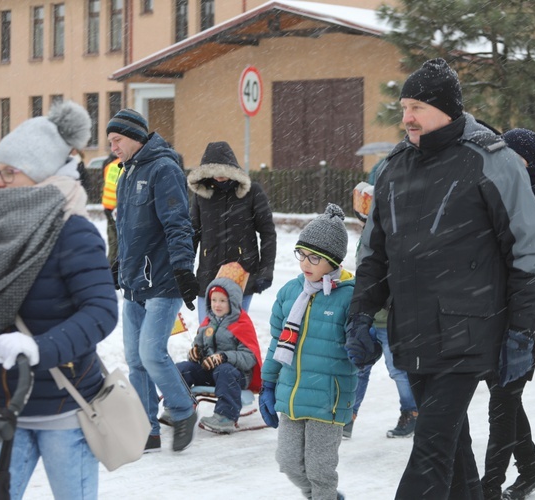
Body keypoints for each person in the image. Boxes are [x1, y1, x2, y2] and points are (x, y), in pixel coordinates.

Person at [347, 58, 535, 499]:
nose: (407, 118)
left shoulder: (490, 159)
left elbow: (528, 251)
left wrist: (520, 330)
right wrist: (360, 314)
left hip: (470, 330)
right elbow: (373, 251)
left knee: (431, 448)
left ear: (444, 108)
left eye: (416, 106)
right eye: (403, 108)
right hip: (412, 332)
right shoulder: (395, 166)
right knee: (454, 449)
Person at [0, 101, 118, 499]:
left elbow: (101, 312)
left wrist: (39, 348)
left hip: (63, 409)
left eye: (8, 172)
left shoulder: (74, 233)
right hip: (2, 404)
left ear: (39, 176)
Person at [108, 108, 200, 453]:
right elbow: (126, 230)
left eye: (117, 140)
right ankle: (148, 429)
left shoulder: (163, 169)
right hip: (134, 281)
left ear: (133, 136)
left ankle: (181, 409)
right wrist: (118, 264)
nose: (113, 147)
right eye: (111, 141)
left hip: (162, 279)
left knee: (151, 353)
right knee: (134, 359)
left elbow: (178, 223)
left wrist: (182, 269)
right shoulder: (126, 173)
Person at [481, 128, 535, 500]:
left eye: (515, 158)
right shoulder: (492, 191)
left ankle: (490, 487)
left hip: (528, 315)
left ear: (529, 162)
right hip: (491, 311)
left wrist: (523, 324)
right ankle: (530, 469)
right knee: (505, 397)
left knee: (503, 402)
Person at [258, 203, 357, 500]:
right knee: (288, 462)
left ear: (333, 261)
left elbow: (359, 349)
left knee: (320, 471)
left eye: (315, 257)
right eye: (302, 254)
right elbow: (277, 342)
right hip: (291, 393)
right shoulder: (290, 292)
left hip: (328, 399)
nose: (306, 263)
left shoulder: (350, 297)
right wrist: (268, 383)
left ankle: (323, 496)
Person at [344, 180, 418, 440]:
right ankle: (348, 417)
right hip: (367, 317)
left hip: (388, 318)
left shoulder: (390, 239)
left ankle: (412, 412)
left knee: (397, 368)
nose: (364, 226)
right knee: (359, 366)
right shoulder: (364, 241)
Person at [187, 141, 276, 318]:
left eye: (223, 171)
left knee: (234, 334)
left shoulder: (252, 192)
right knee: (207, 336)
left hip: (241, 275)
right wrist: (185, 273)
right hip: (208, 277)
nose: (219, 176)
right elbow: (192, 235)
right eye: (214, 172)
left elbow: (267, 233)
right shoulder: (201, 196)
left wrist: (266, 270)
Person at [175, 277, 262, 434]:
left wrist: (224, 357)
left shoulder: (241, 323)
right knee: (182, 369)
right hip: (210, 372)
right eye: (214, 300)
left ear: (232, 302)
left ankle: (225, 416)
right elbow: (198, 345)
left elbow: (249, 357)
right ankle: (180, 408)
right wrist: (195, 353)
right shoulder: (208, 323)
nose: (217, 304)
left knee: (224, 370)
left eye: (222, 300)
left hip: (236, 375)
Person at [101, 153, 121, 265]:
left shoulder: (110, 165)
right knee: (117, 239)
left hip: (107, 204)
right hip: (116, 206)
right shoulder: (124, 166)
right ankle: (113, 265)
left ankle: (111, 261)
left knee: (112, 237)